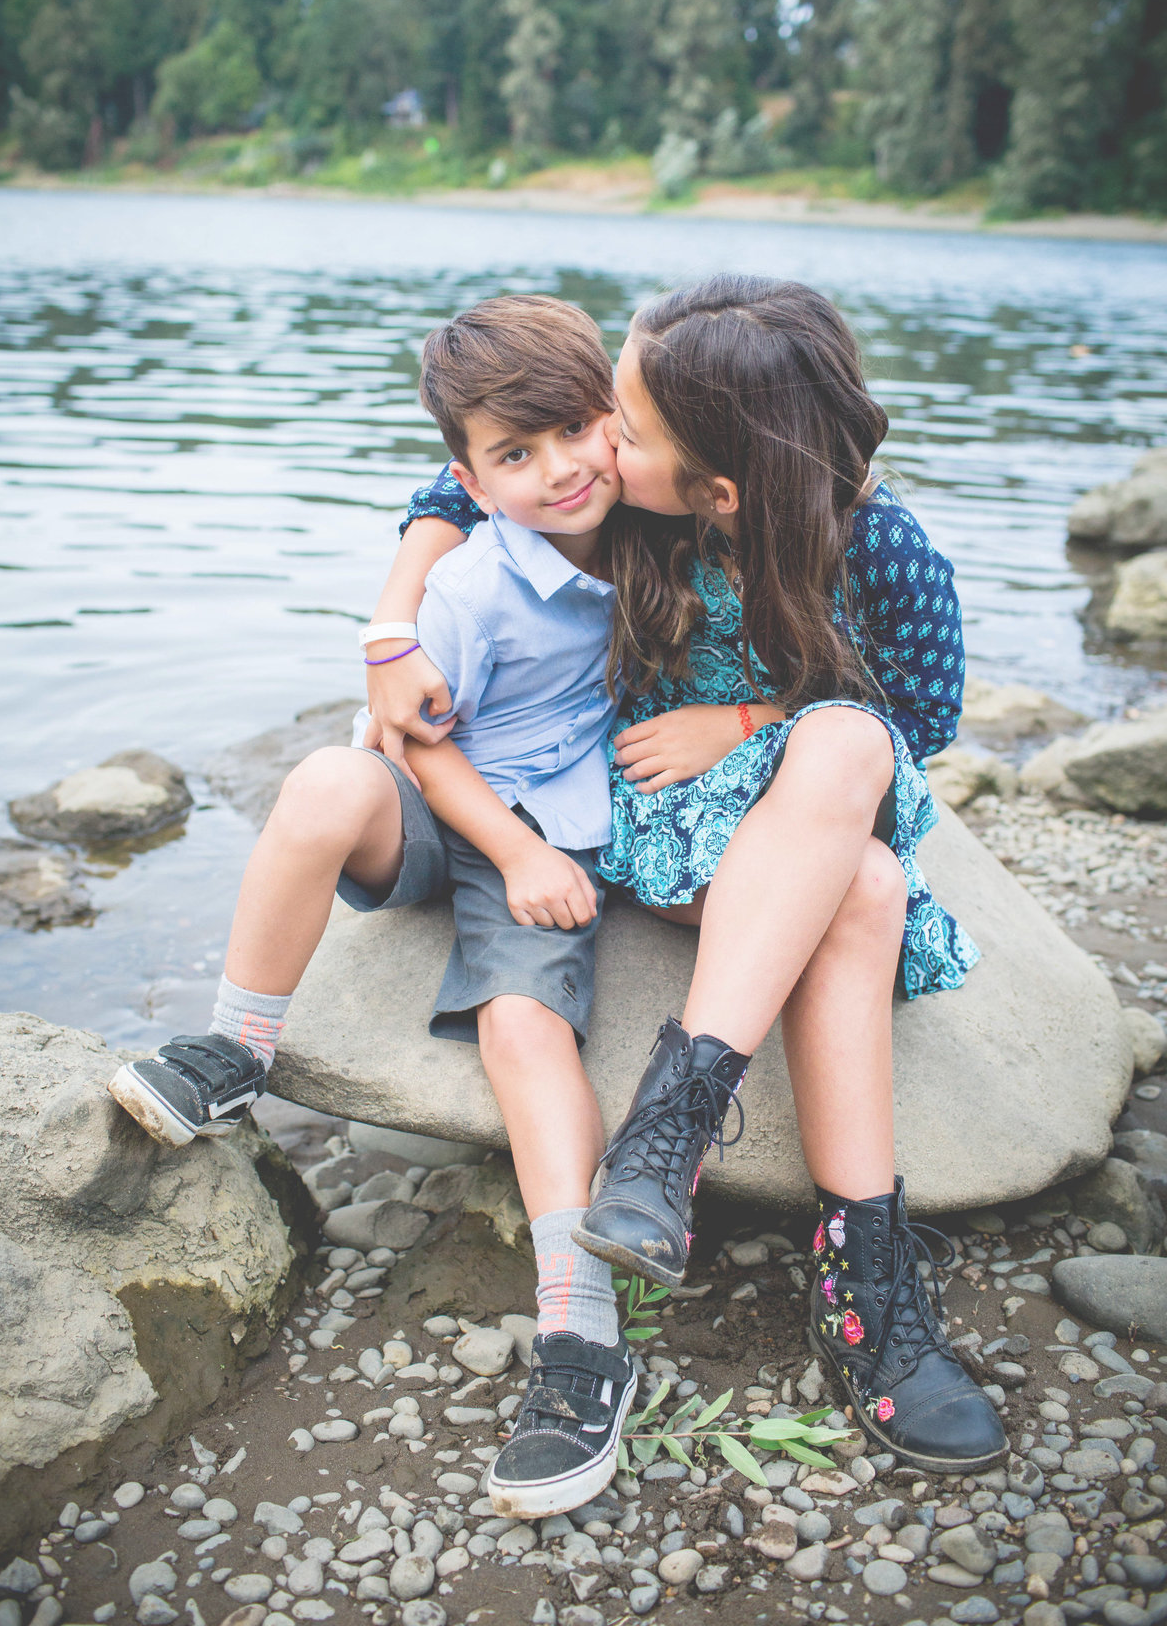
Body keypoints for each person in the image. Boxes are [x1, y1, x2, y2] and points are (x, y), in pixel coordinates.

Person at [368, 275, 1006, 1475]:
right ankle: (844, 1258)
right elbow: (454, 478)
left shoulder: (882, 548)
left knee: (856, 771)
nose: (599, 443)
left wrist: (754, 713)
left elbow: (923, 718)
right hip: (670, 829)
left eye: (626, 423)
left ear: (717, 488)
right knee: (855, 858)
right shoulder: (622, 496)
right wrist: (391, 630)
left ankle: (697, 1145)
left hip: (800, 810)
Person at [108, 293, 643, 1520]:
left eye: (573, 431)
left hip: (565, 831)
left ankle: (581, 1331)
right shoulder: (466, 581)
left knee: (525, 1029)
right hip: (459, 820)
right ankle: (237, 1046)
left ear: (616, 414)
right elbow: (422, 743)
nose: (558, 470)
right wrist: (508, 854)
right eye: (515, 454)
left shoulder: (658, 538)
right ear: (468, 475)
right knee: (328, 777)